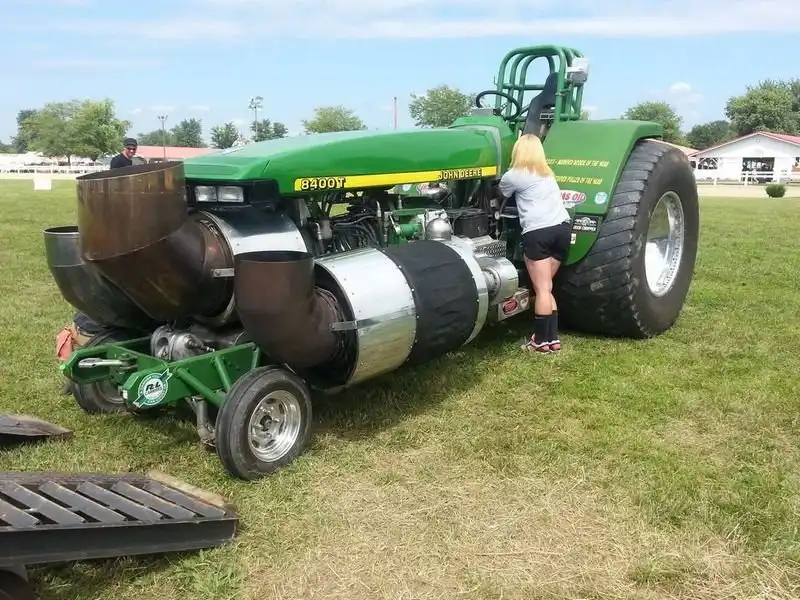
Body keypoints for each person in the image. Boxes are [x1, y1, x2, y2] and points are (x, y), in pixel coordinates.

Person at [497, 133, 571, 353]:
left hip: (538, 232)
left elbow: (499, 196)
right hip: (562, 228)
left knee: (542, 289)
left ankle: (539, 341)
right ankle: (552, 339)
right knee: (547, 287)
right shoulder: (547, 173)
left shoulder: (514, 175)